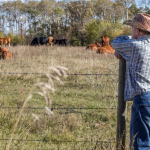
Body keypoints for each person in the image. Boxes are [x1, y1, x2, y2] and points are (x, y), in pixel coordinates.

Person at [111, 13, 150, 150]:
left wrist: (121, 48)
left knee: (141, 144)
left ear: (138, 31)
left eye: (132, 29)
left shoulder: (135, 46)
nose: (131, 31)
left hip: (143, 99)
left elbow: (115, 42)